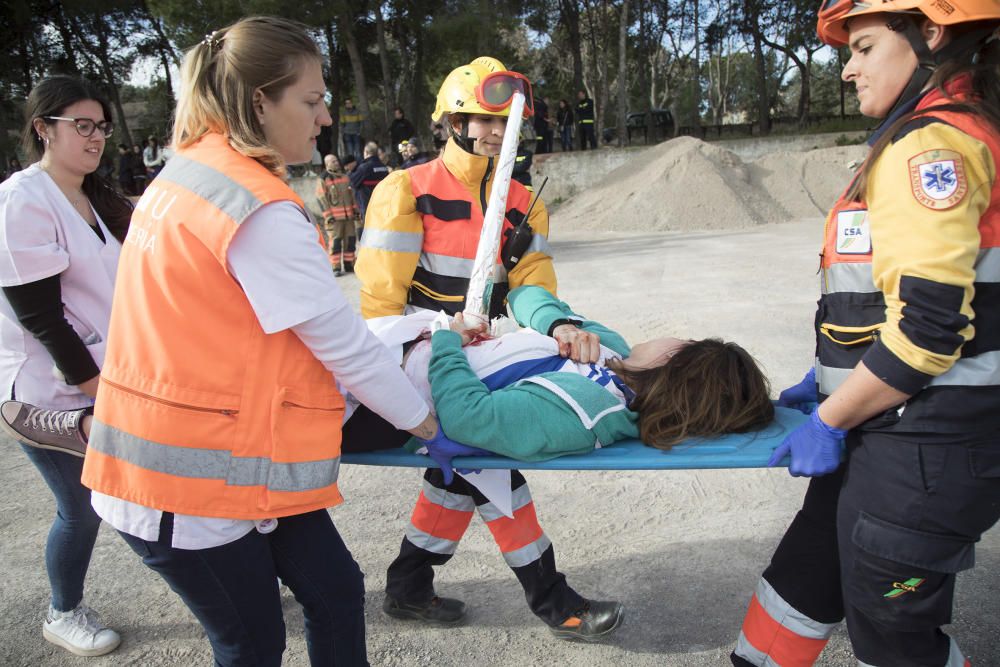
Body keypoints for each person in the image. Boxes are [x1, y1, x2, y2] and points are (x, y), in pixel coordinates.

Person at [65, 17, 458, 666]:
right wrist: (429, 423)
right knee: (251, 642)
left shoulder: (193, 173)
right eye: (310, 100)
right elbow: (347, 348)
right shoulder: (257, 209)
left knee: (334, 590)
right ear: (258, 102)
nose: (326, 116)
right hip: (182, 484)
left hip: (228, 461)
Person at [731, 3, 1000, 666]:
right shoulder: (929, 134)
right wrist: (829, 378)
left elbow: (930, 330)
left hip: (922, 449)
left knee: (896, 641)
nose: (847, 68)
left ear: (929, 35)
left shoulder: (932, 146)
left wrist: (830, 414)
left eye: (866, 47)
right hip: (885, 429)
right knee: (796, 586)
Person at [356, 55, 625, 641]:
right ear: (451, 120)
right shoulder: (406, 189)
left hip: (475, 355)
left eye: (505, 120)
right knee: (487, 461)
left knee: (459, 471)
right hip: (412, 363)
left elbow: (530, 287)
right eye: (480, 119)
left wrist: (554, 326)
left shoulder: (525, 200)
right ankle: (553, 601)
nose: (495, 132)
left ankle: (408, 586)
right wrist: (440, 336)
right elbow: (379, 308)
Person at [0, 75, 130, 657]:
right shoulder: (23, 199)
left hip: (107, 375)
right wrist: (102, 394)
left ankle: (230, 578)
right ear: (42, 128)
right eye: (82, 125)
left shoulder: (97, 197)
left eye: (101, 126)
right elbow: (43, 319)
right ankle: (63, 612)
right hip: (45, 392)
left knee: (143, 487)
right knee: (82, 507)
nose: (96, 136)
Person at [315, 153, 360, 275]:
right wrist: (328, 216)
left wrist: (356, 211)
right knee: (335, 243)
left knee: (350, 241)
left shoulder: (345, 177)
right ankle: (336, 267)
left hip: (349, 217)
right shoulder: (323, 179)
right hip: (334, 219)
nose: (337, 163)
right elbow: (321, 198)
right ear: (327, 164)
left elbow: (352, 196)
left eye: (336, 161)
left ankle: (349, 264)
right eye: (333, 161)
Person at [349, 140, 390, 226]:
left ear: (366, 152)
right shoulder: (384, 168)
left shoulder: (364, 168)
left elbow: (352, 182)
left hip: (368, 208)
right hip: (383, 207)